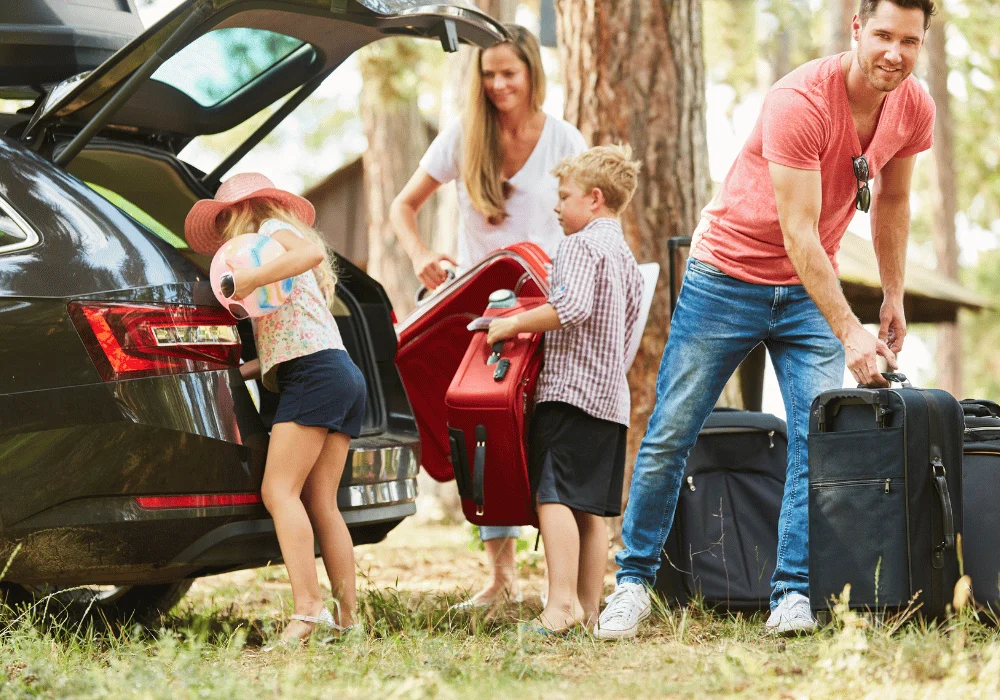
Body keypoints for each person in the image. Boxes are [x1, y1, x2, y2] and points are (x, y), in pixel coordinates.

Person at [596, 0, 937, 640]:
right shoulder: (800, 100)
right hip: (726, 277)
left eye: (910, 41)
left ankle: (793, 594)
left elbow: (894, 197)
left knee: (816, 439)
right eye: (884, 35)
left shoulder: (913, 105)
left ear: (922, 44)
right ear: (856, 28)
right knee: (673, 429)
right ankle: (633, 584)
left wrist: (892, 297)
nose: (895, 52)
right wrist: (851, 333)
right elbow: (800, 235)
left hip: (809, 292)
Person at [390, 25, 587, 609]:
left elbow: (587, 221)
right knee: (485, 430)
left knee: (546, 433)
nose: (499, 85)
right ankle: (501, 580)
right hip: (483, 311)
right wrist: (422, 257)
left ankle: (565, 586)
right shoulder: (462, 138)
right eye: (489, 75)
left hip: (546, 306)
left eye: (510, 73)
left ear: (532, 74)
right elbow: (404, 205)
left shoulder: (563, 140)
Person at [185, 172, 366, 648]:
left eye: (225, 218)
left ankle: (309, 611)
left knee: (278, 490)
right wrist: (237, 371)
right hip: (339, 372)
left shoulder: (270, 238)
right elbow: (286, 341)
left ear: (244, 210)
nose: (224, 232)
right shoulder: (273, 266)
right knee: (321, 502)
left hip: (315, 375)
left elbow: (308, 254)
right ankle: (349, 619)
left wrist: (245, 278)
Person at [486, 145, 644, 633]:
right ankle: (589, 608)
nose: (557, 207)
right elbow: (630, 330)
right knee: (591, 507)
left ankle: (559, 607)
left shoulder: (579, 246)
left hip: (570, 393)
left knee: (552, 496)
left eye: (564, 196)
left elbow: (570, 307)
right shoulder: (626, 258)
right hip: (610, 400)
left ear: (594, 199)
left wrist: (510, 323)